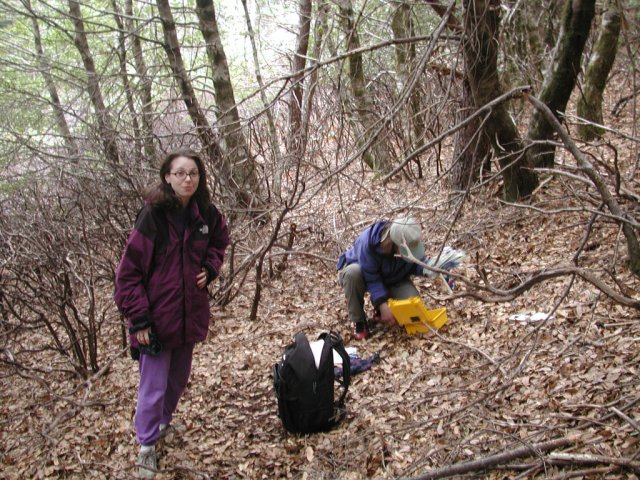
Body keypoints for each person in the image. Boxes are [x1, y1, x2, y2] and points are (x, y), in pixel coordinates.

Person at [114, 149, 229, 478]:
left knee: (177, 380)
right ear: (167, 176)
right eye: (179, 173)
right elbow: (128, 273)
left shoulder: (204, 212)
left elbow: (220, 240)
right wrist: (139, 319)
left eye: (193, 173)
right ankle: (146, 446)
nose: (187, 179)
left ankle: (162, 424)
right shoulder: (153, 217)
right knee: (153, 385)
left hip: (189, 312)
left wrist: (211, 267)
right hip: (156, 318)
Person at [336, 216, 433, 341]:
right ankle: (359, 322)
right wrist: (382, 303)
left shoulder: (409, 238)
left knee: (412, 304)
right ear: (394, 243)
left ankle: (381, 310)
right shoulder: (367, 241)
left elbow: (417, 262)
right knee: (352, 273)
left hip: (393, 278)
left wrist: (429, 269)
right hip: (363, 275)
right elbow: (371, 278)